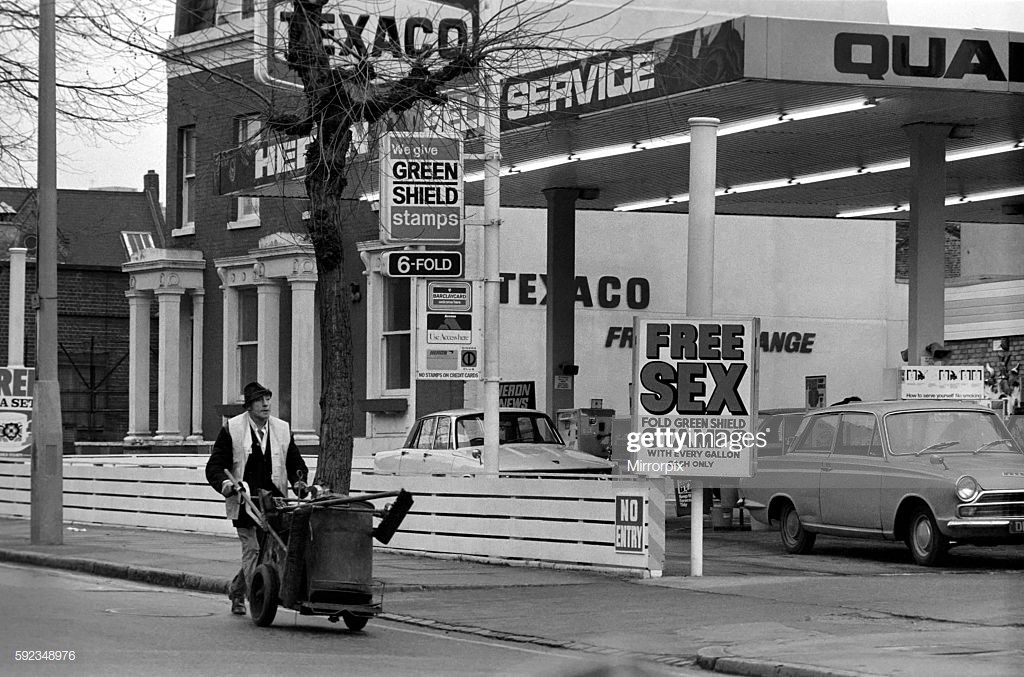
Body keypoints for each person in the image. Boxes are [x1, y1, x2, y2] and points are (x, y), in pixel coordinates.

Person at [205, 381, 309, 615]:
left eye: (268, 399)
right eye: (259, 400)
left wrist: (299, 482)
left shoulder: (282, 429)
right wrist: (226, 485)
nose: (266, 404)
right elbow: (215, 466)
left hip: (274, 503)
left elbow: (294, 462)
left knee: (264, 552)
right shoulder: (233, 429)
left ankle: (237, 590)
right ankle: (258, 601)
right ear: (249, 406)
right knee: (252, 549)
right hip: (245, 501)